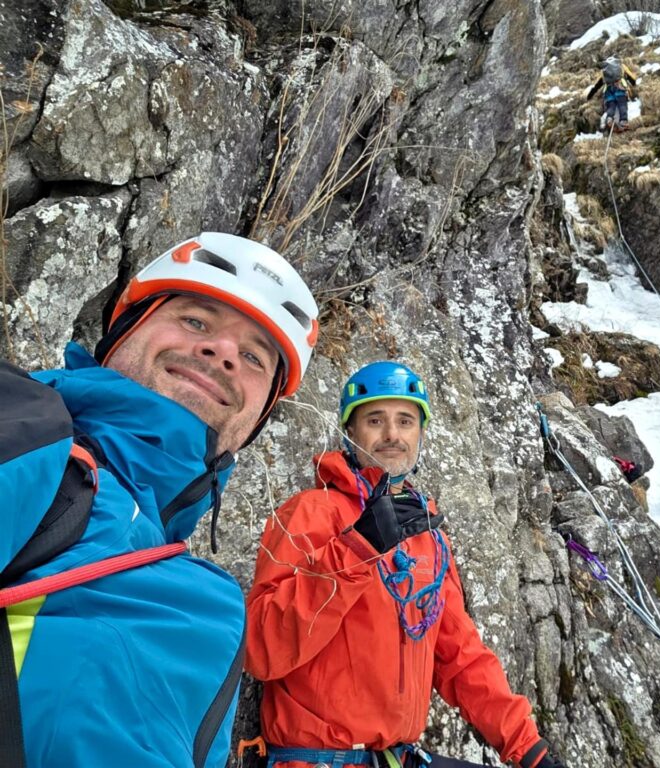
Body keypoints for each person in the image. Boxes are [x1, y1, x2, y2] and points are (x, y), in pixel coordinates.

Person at [0, 232, 319, 767]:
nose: (222, 353)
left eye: (255, 358)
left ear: (256, 421)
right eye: (196, 321)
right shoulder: (26, 427)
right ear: (122, 331)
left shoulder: (211, 607)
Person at [245, 362, 566, 768]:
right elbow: (261, 648)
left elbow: (460, 656)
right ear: (350, 431)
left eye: (405, 421)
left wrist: (528, 748)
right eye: (375, 420)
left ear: (420, 433)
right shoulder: (309, 514)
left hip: (397, 758)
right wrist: (357, 548)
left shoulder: (425, 535)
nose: (392, 435)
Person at [586, 55, 638, 132]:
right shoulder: (621, 65)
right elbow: (632, 78)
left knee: (611, 106)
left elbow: (597, 85)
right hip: (620, 87)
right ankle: (623, 121)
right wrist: (634, 84)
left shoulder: (604, 70)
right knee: (622, 104)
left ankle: (609, 118)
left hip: (608, 90)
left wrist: (589, 95)